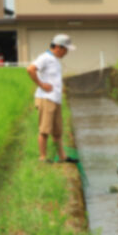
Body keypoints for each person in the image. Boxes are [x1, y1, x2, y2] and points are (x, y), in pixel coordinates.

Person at [26, 34, 76, 163]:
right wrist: (41, 85)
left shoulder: (55, 60)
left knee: (57, 132)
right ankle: (42, 158)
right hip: (46, 98)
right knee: (44, 130)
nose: (67, 53)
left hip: (55, 99)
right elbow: (30, 69)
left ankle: (62, 157)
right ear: (59, 47)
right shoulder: (45, 58)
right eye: (66, 50)